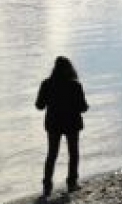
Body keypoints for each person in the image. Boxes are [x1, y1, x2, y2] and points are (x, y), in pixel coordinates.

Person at [35, 56, 89, 197]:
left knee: (52, 154)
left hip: (53, 124)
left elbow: (39, 106)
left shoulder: (46, 84)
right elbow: (82, 107)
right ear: (70, 69)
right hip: (72, 123)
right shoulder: (75, 85)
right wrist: (83, 106)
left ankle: (47, 187)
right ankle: (72, 183)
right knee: (73, 153)